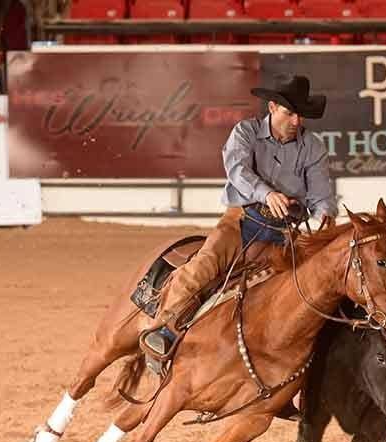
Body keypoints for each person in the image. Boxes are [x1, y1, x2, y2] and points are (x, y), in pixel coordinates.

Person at [141, 74, 338, 361]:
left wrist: (323, 217)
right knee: (205, 266)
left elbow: (321, 194)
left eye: (301, 115)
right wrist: (267, 194)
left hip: (285, 234)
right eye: (290, 113)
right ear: (272, 108)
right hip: (242, 221)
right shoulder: (245, 133)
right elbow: (238, 170)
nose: (296, 121)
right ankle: (162, 330)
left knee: (304, 289)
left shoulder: (313, 148)